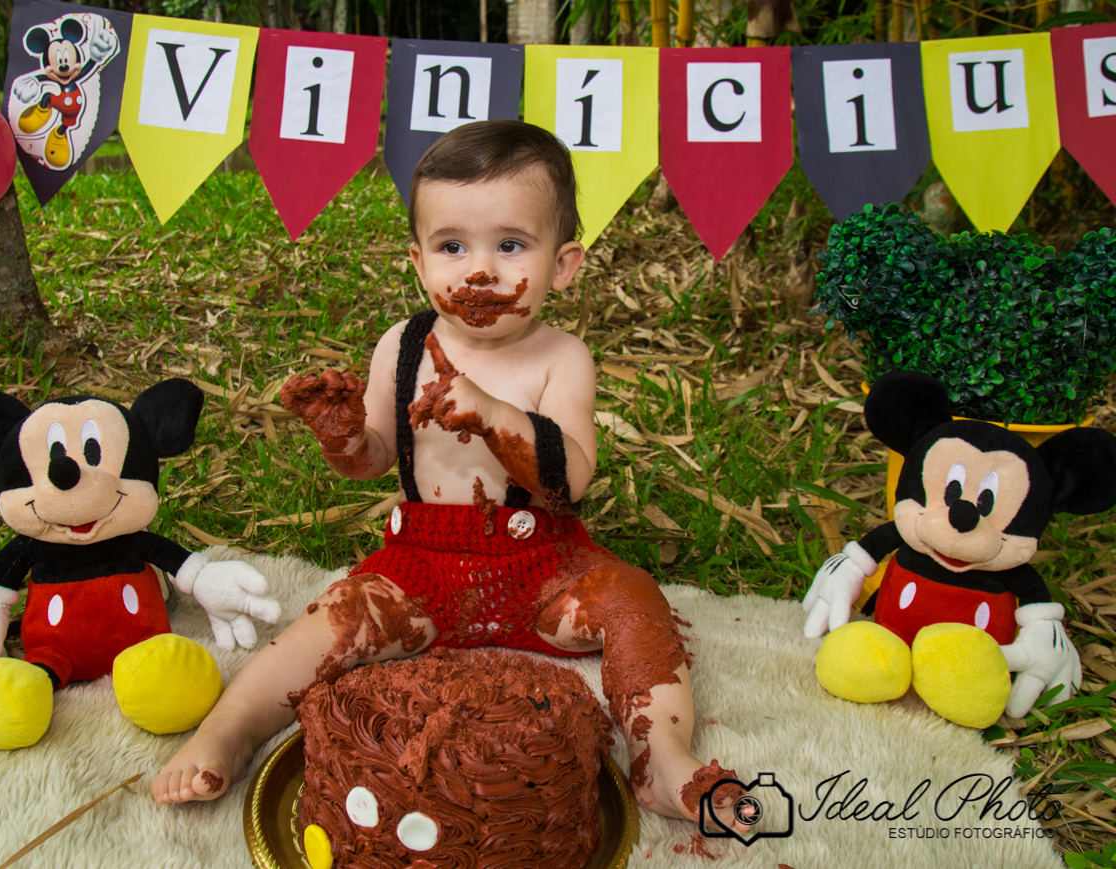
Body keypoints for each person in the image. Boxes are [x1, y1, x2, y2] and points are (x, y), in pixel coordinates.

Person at [153, 120, 745, 825]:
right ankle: (232, 726)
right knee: (329, 623)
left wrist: (493, 413)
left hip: (545, 565)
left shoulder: (561, 357)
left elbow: (570, 482)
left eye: (511, 244)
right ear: (417, 260)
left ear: (563, 265)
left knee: (633, 601)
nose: (479, 269)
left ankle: (660, 754)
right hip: (419, 569)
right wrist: (345, 439)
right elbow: (376, 458)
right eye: (452, 246)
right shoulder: (403, 346)